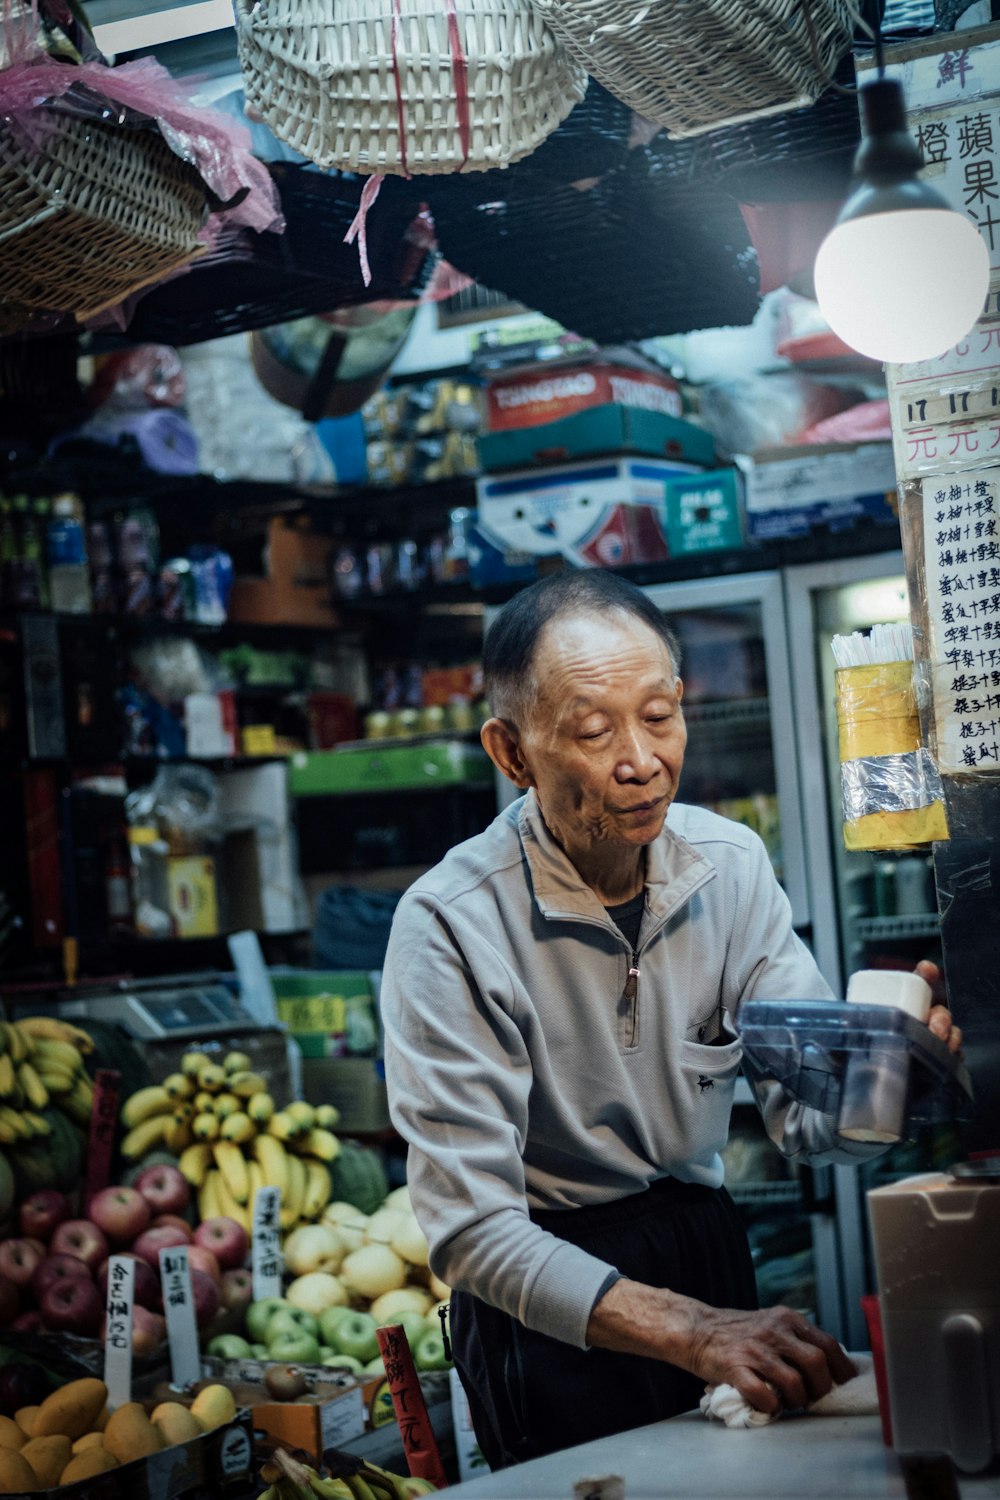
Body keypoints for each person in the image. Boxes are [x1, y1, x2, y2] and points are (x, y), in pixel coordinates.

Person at [380, 570, 962, 1469]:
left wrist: (885, 1081)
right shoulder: (452, 922)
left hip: (702, 1249)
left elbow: (808, 1119)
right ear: (512, 753)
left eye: (659, 715)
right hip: (552, 1298)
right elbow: (471, 1232)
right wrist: (691, 1331)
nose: (641, 759)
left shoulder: (729, 867)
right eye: (592, 729)